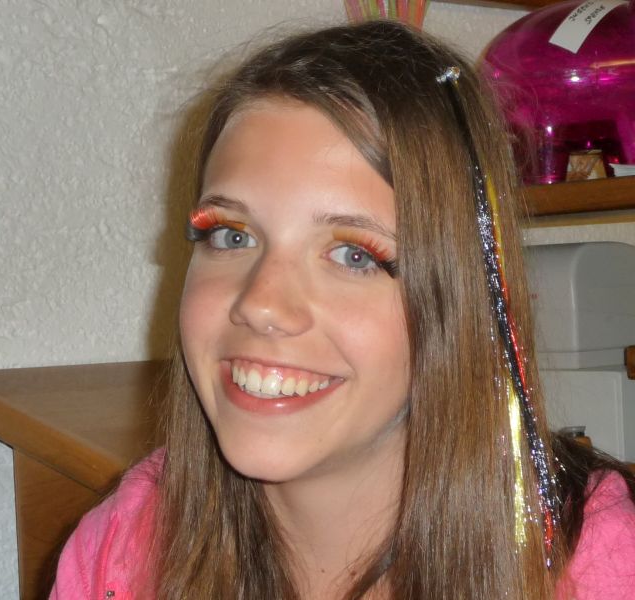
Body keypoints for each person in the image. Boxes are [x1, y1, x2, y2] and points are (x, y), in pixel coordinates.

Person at [50, 19, 635, 600]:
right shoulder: (126, 547)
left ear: (458, 300)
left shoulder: (601, 564)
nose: (260, 305)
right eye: (231, 235)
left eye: (354, 255)